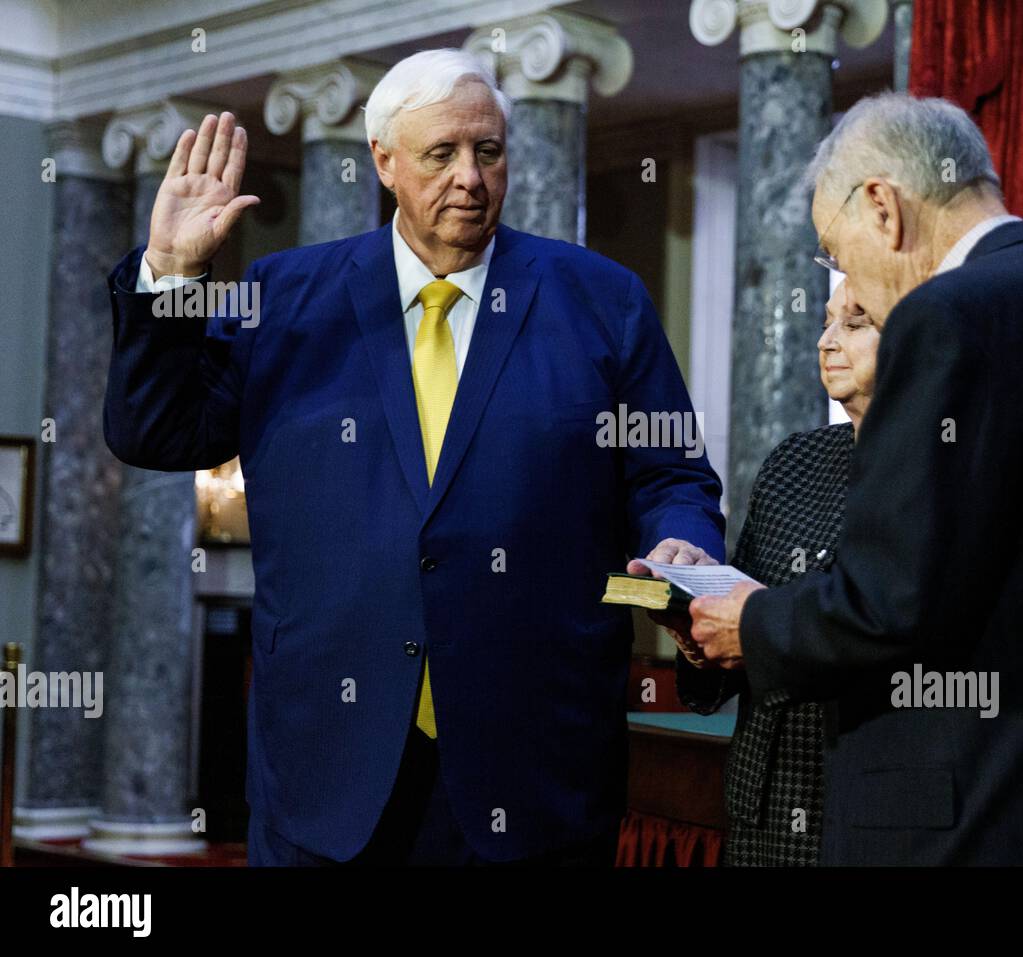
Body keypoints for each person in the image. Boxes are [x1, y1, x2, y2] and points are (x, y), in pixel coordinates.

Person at [102, 49, 723, 866]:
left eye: (488, 152)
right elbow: (156, 430)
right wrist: (174, 276)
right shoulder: (286, 300)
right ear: (384, 163)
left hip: (533, 768)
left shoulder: (601, 301)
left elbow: (671, 472)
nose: (470, 177)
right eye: (442, 154)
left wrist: (683, 540)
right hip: (326, 770)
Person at [687, 93, 1023, 865]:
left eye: (837, 256)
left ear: (882, 206)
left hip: (974, 823)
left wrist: (754, 623)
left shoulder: (945, 317)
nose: (852, 287)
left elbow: (886, 601)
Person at [672, 282, 878, 865]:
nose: (825, 341)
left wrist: (761, 627)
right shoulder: (795, 461)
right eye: (827, 320)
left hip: (862, 803)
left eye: (854, 323)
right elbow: (741, 639)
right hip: (763, 812)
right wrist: (698, 635)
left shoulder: (950, 467)